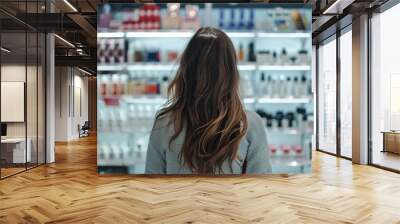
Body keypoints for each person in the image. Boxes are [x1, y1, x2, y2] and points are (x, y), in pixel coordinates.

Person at [145, 27, 271, 174]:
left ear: (186, 70)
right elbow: (260, 188)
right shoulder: (250, 124)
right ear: (231, 72)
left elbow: (152, 184)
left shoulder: (164, 123)